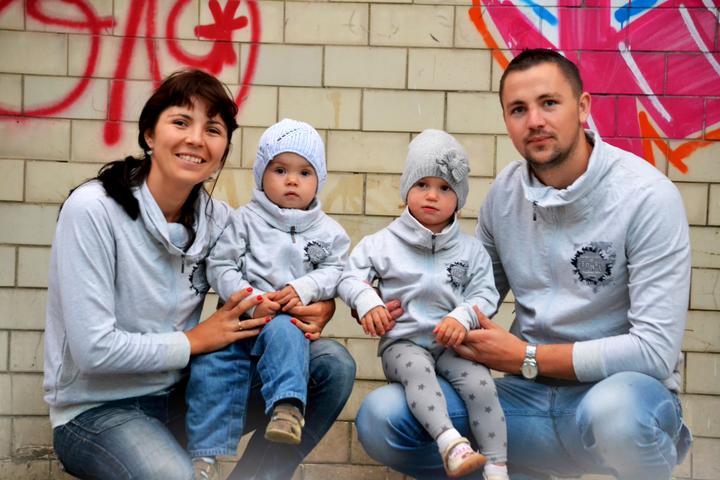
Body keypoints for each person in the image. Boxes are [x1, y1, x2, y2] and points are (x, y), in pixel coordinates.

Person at [355, 49, 692, 480]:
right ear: (506, 120)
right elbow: (474, 291)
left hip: (617, 399)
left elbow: (655, 352)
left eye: (549, 103)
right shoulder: (505, 195)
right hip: (524, 402)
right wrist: (381, 296)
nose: (534, 121)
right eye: (518, 109)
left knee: (617, 415)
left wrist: (526, 356)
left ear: (583, 107)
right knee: (384, 416)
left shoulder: (647, 197)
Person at [43, 69, 356, 480]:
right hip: (97, 411)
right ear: (149, 134)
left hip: (181, 396)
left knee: (330, 365)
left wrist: (318, 303)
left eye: (212, 129)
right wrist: (194, 341)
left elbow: (280, 269)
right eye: (180, 122)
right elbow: (93, 351)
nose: (195, 139)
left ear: (223, 151)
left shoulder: (219, 222)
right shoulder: (94, 210)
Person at [338, 130, 508, 479]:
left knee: (481, 385)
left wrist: (463, 317)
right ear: (406, 191)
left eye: (445, 188)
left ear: (459, 200)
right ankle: (450, 444)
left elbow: (485, 294)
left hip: (453, 344)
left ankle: (496, 465)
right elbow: (349, 277)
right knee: (418, 371)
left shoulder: (471, 250)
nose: (432, 195)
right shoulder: (381, 244)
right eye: (422, 184)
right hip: (403, 344)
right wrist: (368, 301)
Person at [187, 118, 351, 474]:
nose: (292, 180)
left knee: (286, 331)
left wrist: (304, 289)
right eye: (280, 170)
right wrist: (251, 299)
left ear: (319, 179)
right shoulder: (243, 220)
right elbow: (221, 265)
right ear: (261, 175)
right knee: (209, 369)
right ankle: (203, 457)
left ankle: (287, 408)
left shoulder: (328, 232)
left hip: (283, 322)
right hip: (242, 322)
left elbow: (336, 270)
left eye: (304, 172)